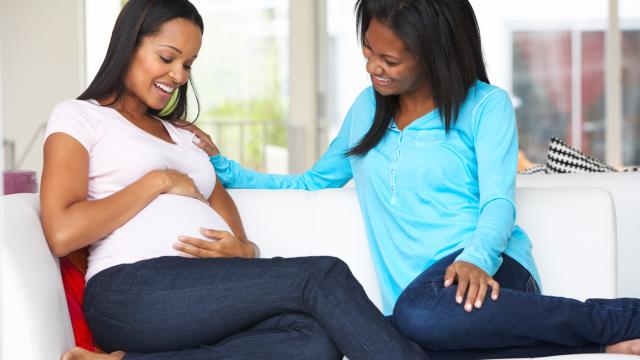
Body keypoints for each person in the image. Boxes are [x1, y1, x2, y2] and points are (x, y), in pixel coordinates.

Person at [185, 0, 640, 358]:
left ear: (434, 55)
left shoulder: (486, 106)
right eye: (368, 50)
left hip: (493, 274)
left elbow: (498, 202)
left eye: (390, 59)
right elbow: (313, 183)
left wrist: (476, 259)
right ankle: (596, 345)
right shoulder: (367, 109)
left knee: (414, 318)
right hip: (421, 305)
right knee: (397, 338)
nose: (373, 67)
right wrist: (222, 167)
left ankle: (619, 318)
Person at [41, 1, 429, 359]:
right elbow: (62, 231)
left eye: (188, 64)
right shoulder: (80, 117)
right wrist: (158, 182)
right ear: (128, 46)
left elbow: (238, 237)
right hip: (131, 291)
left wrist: (244, 251)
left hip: (203, 289)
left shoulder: (183, 135)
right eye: (167, 57)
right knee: (322, 275)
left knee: (313, 341)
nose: (178, 76)